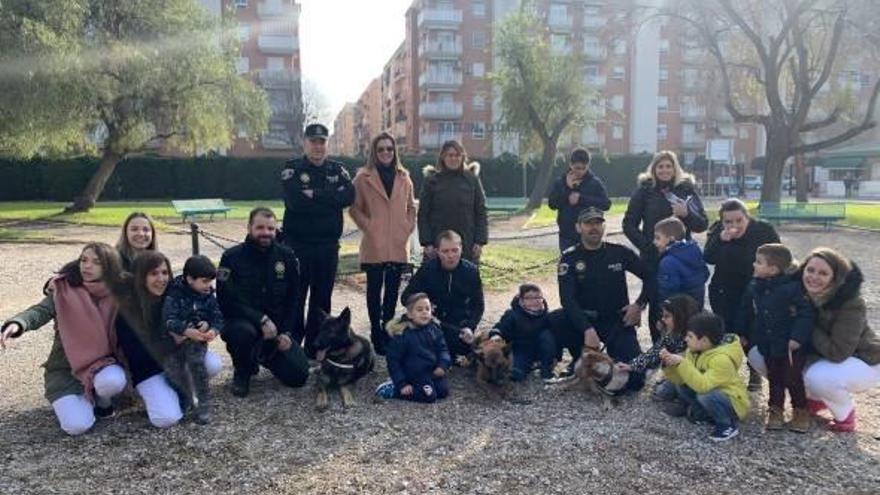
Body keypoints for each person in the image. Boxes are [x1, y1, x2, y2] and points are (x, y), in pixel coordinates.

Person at [1, 243, 129, 436]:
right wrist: (18, 324)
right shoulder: (63, 289)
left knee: (113, 380)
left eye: (96, 262)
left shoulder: (119, 294)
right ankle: (79, 401)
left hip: (102, 364)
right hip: (64, 371)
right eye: (84, 260)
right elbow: (40, 311)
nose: (87, 266)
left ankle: (103, 403)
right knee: (77, 426)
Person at [751, 248, 880, 432]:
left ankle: (845, 415)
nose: (814, 277)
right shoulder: (795, 291)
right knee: (761, 355)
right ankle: (813, 400)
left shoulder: (851, 303)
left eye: (823, 273)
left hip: (861, 359)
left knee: (818, 377)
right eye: (810, 270)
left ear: (835, 278)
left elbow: (838, 353)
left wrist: (805, 323)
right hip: (821, 354)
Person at [112, 251, 224, 428]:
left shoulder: (175, 294)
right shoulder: (128, 308)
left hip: (178, 359)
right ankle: (160, 394)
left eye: (165, 273)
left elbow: (201, 309)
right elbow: (135, 354)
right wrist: (176, 339)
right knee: (167, 418)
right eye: (154, 273)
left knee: (211, 363)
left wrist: (204, 326)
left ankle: (186, 393)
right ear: (141, 277)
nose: (161, 278)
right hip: (149, 369)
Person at [554, 206, 651, 390]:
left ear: (603, 227)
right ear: (578, 227)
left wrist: (639, 305)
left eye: (598, 223)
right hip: (584, 322)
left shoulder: (619, 253)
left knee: (636, 381)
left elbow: (651, 277)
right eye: (588, 223)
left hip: (615, 321)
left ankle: (604, 362)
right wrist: (587, 329)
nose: (593, 227)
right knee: (554, 320)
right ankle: (579, 358)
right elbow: (567, 299)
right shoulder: (570, 258)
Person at [217, 207, 310, 397]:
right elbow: (225, 300)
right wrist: (261, 319)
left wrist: (286, 332)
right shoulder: (231, 258)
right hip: (245, 324)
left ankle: (266, 356)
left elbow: (294, 298)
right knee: (241, 332)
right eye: (260, 228)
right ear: (249, 228)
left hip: (275, 331)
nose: (265, 233)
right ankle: (243, 370)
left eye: (270, 228)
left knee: (299, 376)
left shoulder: (287, 257)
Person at [281, 123, 355, 357]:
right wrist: (330, 200)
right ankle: (293, 347)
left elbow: (349, 196)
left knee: (321, 300)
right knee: (296, 296)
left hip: (327, 247)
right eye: (313, 141)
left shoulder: (338, 170)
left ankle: (315, 348)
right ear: (305, 143)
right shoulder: (292, 169)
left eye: (322, 141)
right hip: (298, 245)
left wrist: (316, 195)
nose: (318, 146)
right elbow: (295, 202)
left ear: (327, 143)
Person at [623, 150, 707, 343]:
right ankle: (659, 350)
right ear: (653, 169)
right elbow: (628, 224)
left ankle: (688, 348)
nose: (664, 170)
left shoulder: (686, 190)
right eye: (660, 166)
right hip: (653, 255)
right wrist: (647, 246)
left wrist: (687, 214)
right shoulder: (644, 191)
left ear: (675, 168)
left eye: (669, 166)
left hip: (680, 255)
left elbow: (702, 224)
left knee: (685, 304)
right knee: (658, 303)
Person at [349, 132, 416, 356]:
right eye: (381, 149)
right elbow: (354, 208)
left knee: (392, 292)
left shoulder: (404, 177)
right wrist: (369, 226)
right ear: (374, 152)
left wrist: (406, 227)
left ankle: (387, 329)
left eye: (389, 148)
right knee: (374, 291)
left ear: (394, 151)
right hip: (374, 243)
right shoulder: (362, 178)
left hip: (397, 242)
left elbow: (411, 207)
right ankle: (376, 332)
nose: (386, 153)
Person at [734, 244, 814, 432]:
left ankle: (801, 412)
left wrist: (797, 337)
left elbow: (806, 314)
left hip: (790, 345)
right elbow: (745, 309)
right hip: (768, 343)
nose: (754, 265)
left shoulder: (792, 288)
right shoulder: (755, 286)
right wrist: (741, 332)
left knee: (793, 379)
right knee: (775, 378)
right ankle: (775, 410)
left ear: (773, 269)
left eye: (759, 262)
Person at [703, 198, 779, 391]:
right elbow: (708, 257)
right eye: (728, 222)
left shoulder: (763, 230)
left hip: (755, 287)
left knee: (752, 331)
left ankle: (754, 370)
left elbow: (779, 257)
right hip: (724, 288)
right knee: (728, 332)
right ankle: (726, 374)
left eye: (739, 220)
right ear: (722, 221)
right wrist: (720, 240)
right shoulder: (718, 232)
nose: (734, 225)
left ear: (747, 217)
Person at [660, 312, 749, 442]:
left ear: (704, 340)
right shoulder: (694, 351)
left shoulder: (721, 359)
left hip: (732, 402)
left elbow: (703, 386)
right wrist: (669, 365)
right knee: (682, 386)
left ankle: (726, 425)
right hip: (710, 393)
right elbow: (681, 379)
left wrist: (682, 363)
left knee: (706, 395)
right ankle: (701, 413)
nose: (686, 339)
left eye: (690, 336)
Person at [400, 230, 484, 361]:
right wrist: (424, 303)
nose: (450, 255)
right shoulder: (427, 269)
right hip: (430, 320)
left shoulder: (471, 271)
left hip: (456, 324)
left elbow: (478, 305)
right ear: (437, 251)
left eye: (455, 250)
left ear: (461, 249)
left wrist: (470, 326)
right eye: (445, 251)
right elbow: (406, 297)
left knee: (465, 347)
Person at [161, 255, 225, 425]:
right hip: (174, 342)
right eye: (204, 281)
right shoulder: (174, 294)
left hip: (197, 341)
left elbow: (218, 317)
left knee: (196, 364)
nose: (209, 286)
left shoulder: (208, 295)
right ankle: (184, 397)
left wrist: (212, 329)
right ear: (190, 279)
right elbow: (168, 319)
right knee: (172, 370)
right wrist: (186, 330)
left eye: (211, 281)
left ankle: (203, 402)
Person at [617, 294, 700, 400]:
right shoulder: (672, 335)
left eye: (667, 316)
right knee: (661, 393)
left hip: (698, 376)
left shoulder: (698, 335)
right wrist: (631, 366)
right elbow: (654, 352)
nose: (662, 319)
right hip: (679, 375)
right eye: (663, 315)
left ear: (680, 317)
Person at [417, 140, 488, 263]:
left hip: (467, 243)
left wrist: (480, 241)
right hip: (438, 244)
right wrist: (427, 243)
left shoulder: (472, 180)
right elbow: (423, 214)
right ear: (443, 157)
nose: (454, 158)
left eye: (457, 155)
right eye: (450, 155)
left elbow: (481, 211)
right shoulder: (431, 181)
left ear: (462, 157)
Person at [376, 293, 451, 403]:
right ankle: (394, 389)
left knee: (443, 391)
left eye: (427, 309)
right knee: (429, 396)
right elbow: (393, 361)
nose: (424, 312)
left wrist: (442, 365)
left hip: (431, 372)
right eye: (419, 310)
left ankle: (424, 386)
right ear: (410, 314)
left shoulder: (434, 329)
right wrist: (401, 383)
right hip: (412, 374)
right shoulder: (402, 335)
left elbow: (443, 349)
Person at [488, 283, 558, 383]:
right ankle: (527, 366)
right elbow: (500, 327)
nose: (534, 301)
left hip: (540, 348)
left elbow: (555, 336)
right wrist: (496, 334)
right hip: (520, 349)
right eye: (528, 298)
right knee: (516, 375)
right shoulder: (513, 314)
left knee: (547, 335)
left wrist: (556, 355)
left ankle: (546, 369)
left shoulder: (546, 315)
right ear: (521, 300)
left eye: (537, 297)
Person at [547, 147, 611, 252]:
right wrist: (567, 190)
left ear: (588, 165)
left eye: (583, 168)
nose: (580, 171)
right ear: (571, 165)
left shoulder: (594, 183)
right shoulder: (560, 182)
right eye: (577, 168)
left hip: (590, 234)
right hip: (567, 235)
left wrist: (581, 199)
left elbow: (606, 204)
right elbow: (552, 204)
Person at [653, 216, 709, 308]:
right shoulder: (694, 250)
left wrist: (662, 308)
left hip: (678, 312)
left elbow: (668, 291)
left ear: (671, 239)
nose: (654, 242)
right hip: (696, 305)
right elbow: (705, 274)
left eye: (658, 238)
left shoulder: (667, 262)